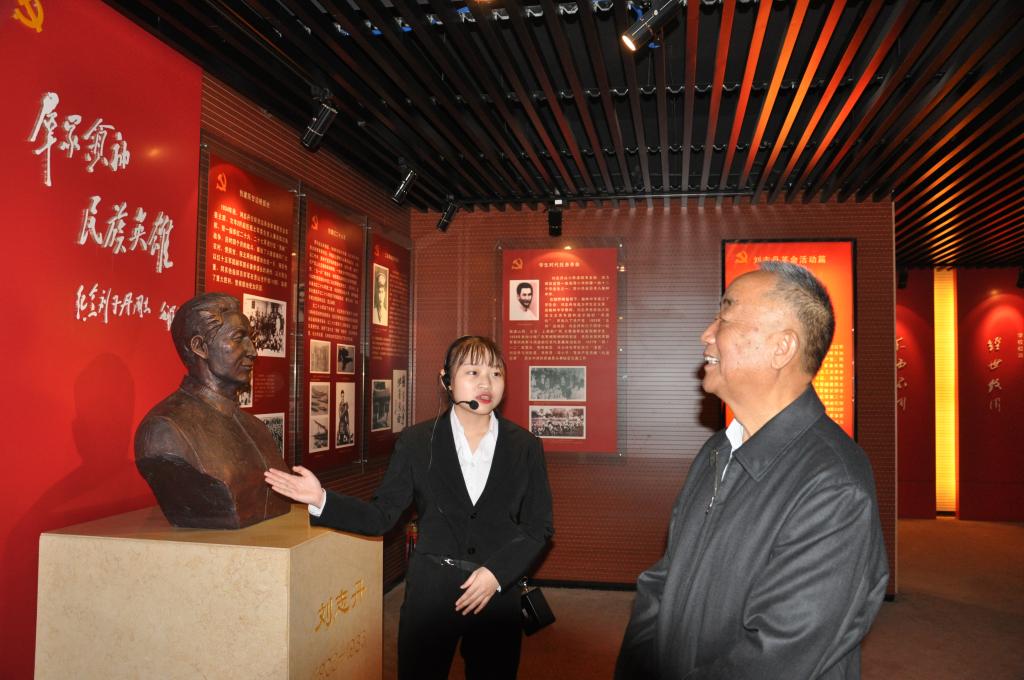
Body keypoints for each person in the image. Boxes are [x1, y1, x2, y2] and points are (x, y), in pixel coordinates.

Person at [616, 262, 888, 680]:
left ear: (782, 348)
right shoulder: (718, 449)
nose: (706, 334)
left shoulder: (835, 484)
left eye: (725, 318)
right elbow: (662, 583)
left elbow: (778, 655)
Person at [266, 336, 554, 680]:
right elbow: (382, 515)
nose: (486, 383)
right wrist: (321, 499)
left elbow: (538, 527)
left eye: (496, 373)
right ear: (446, 379)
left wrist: (496, 575)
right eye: (473, 372)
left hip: (496, 592)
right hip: (431, 592)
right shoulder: (417, 442)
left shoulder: (525, 446)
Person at [134, 292, 291, 529]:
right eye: (238, 338)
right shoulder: (164, 431)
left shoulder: (257, 428)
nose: (253, 351)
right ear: (200, 347)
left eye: (250, 339)